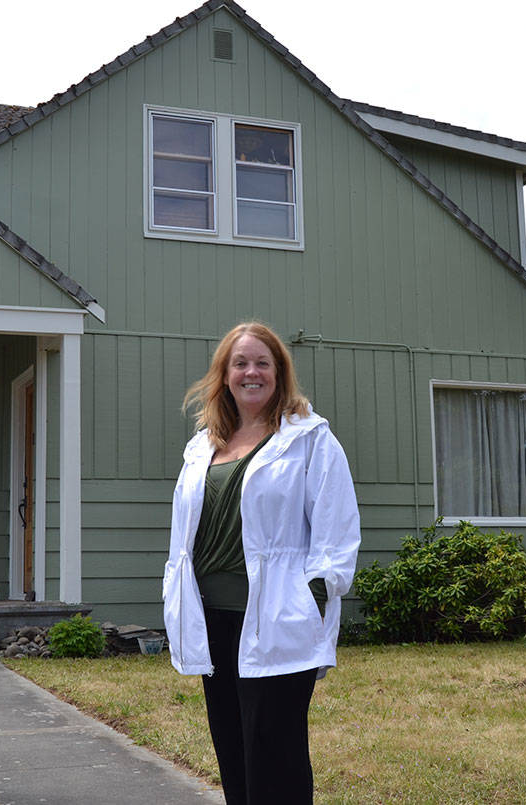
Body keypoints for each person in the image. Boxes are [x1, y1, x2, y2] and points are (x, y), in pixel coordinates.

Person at [162, 321, 361, 805]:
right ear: (224, 375)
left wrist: (311, 597)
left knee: (276, 758)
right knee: (233, 753)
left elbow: (336, 533)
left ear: (279, 373)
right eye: (240, 363)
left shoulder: (311, 439)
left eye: (262, 363)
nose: (251, 372)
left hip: (277, 619)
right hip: (214, 622)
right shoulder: (203, 447)